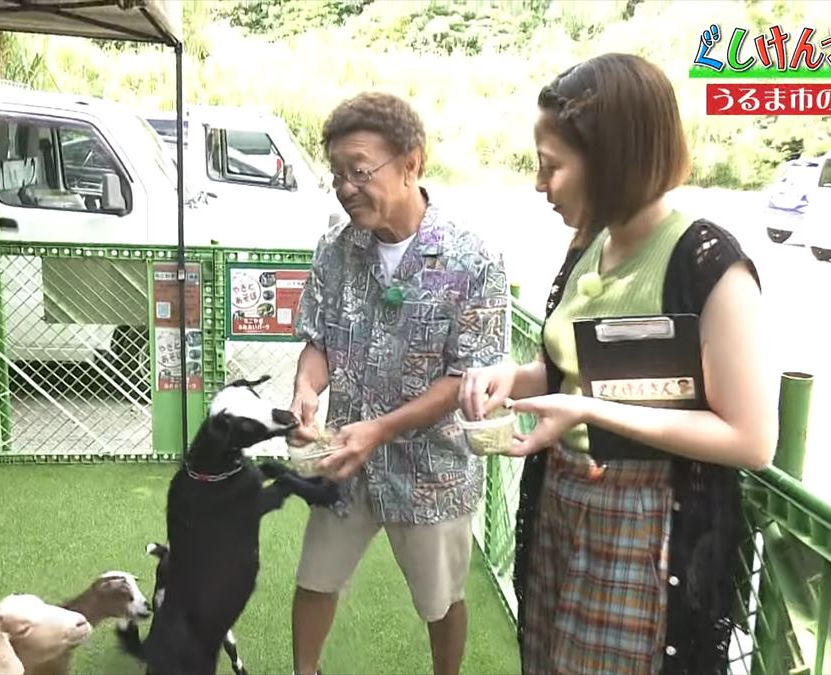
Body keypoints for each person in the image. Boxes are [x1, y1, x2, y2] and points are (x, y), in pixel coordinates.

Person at [459, 53, 778, 675]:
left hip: (646, 525)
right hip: (563, 500)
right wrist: (513, 379)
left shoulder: (706, 262)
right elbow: (570, 371)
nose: (537, 184)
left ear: (611, 161)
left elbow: (750, 439)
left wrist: (584, 409)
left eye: (551, 167)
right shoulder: (590, 244)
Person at [287, 91, 509, 675]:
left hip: (433, 470)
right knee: (315, 578)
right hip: (345, 457)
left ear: (412, 163)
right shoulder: (336, 250)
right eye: (336, 173)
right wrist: (306, 391)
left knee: (441, 602)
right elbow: (319, 339)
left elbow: (468, 375)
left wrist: (380, 430)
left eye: (359, 171)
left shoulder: (473, 260)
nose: (345, 187)